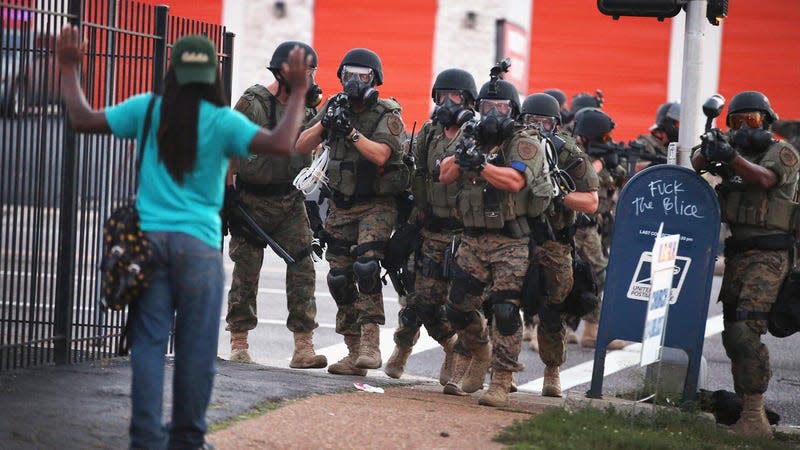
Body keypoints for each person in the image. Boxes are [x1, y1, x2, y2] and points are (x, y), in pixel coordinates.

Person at [57, 26, 312, 449]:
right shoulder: (222, 120)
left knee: (149, 344)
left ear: (172, 72)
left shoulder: (148, 109)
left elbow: (82, 118)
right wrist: (299, 90)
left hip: (149, 243)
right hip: (198, 247)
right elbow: (283, 144)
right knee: (195, 350)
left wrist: (68, 68)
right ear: (213, 75)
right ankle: (188, 439)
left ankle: (144, 439)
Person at [296, 48, 409, 376]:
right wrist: (327, 124)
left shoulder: (386, 113)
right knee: (339, 276)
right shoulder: (335, 106)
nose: (354, 81)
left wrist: (351, 133)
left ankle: (372, 344)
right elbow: (301, 144)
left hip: (376, 203)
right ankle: (353, 348)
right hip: (341, 205)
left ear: (374, 79)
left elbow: (381, 155)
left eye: (362, 75)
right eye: (348, 74)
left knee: (366, 264)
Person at [439, 79, 552, 407]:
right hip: (473, 239)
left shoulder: (524, 141)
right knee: (457, 308)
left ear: (513, 111)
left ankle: (501, 380)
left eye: (500, 108)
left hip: (511, 242)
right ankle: (481, 351)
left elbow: (515, 181)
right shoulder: (471, 135)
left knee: (505, 310)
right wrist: (465, 156)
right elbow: (445, 175)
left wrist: (482, 166)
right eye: (486, 107)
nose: (492, 113)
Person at [692, 90, 798, 437]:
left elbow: (765, 179)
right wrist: (708, 149)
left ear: (767, 122)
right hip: (738, 252)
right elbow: (696, 163)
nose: (743, 128)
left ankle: (753, 417)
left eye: (751, 121)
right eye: (736, 122)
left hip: (770, 253)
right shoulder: (733, 153)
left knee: (745, 331)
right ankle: (748, 412)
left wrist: (730, 155)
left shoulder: (780, 153)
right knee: (732, 331)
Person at [225, 41, 326, 369]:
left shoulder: (307, 108)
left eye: (311, 72)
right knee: (246, 270)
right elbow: (227, 147)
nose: (310, 79)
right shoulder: (253, 104)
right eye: (304, 72)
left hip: (290, 198)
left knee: (303, 266)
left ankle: (303, 346)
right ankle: (239, 342)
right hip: (251, 199)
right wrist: (227, 196)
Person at [383, 68, 476, 389]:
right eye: (441, 96)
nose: (446, 102)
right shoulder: (430, 131)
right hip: (429, 228)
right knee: (420, 301)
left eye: (454, 97)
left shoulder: (475, 134)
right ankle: (408, 347)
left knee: (461, 303)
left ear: (468, 100)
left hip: (464, 233)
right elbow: (417, 171)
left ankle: (461, 357)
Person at [518, 93, 600, 396]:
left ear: (557, 123)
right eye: (532, 121)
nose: (539, 127)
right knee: (504, 304)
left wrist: (557, 194)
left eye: (546, 122)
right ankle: (503, 373)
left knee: (554, 309)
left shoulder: (568, 152)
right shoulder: (513, 146)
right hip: (516, 237)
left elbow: (591, 201)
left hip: (555, 241)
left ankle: (552, 372)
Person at [571, 107, 626, 350]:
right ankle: (549, 329)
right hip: (571, 226)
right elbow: (577, 178)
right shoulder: (570, 151)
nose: (608, 142)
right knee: (564, 275)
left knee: (594, 276)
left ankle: (591, 330)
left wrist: (614, 165)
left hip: (593, 226)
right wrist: (600, 163)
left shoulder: (600, 156)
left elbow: (616, 184)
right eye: (603, 138)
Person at [632, 101, 680, 173]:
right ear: (668, 123)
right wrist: (653, 165)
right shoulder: (643, 144)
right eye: (678, 124)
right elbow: (632, 168)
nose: (681, 128)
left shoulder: (677, 148)